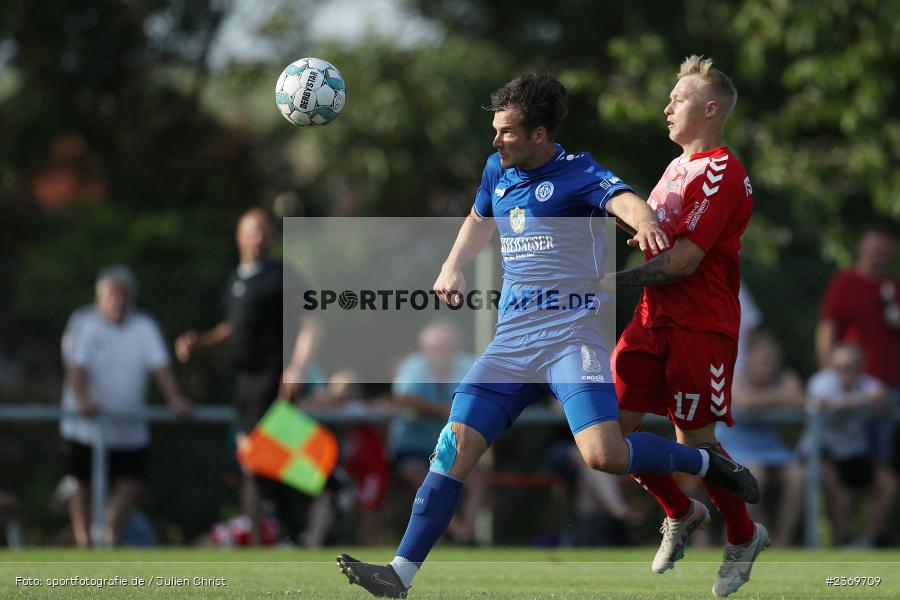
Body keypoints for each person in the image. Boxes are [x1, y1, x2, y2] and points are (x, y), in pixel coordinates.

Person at [336, 71, 758, 599]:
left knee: (604, 455)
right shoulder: (497, 170)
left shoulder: (578, 172)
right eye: (496, 130)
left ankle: (702, 464)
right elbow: (477, 218)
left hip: (570, 340)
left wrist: (645, 220)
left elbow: (623, 199)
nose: (496, 141)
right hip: (511, 345)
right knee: (452, 447)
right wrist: (451, 265)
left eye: (508, 131)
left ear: (540, 135)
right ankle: (399, 574)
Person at [608, 56, 764, 597]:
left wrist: (607, 283)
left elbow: (684, 262)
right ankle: (680, 511)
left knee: (694, 443)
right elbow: (657, 241)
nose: (667, 105)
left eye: (678, 97)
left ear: (711, 108)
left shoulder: (725, 171)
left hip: (700, 325)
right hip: (653, 320)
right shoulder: (675, 168)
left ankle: (744, 537)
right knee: (610, 435)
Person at [175, 208, 321, 544]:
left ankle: (295, 526)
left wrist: (297, 365)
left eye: (264, 231)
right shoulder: (237, 279)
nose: (258, 237)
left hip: (270, 379)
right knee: (253, 463)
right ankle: (272, 537)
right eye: (251, 231)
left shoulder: (281, 275)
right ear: (239, 237)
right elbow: (234, 326)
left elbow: (312, 318)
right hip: (243, 382)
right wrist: (202, 342)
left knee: (257, 457)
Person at [60, 265, 192, 547]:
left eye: (124, 295)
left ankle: (109, 535)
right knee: (81, 484)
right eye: (112, 294)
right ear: (100, 297)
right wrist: (83, 400)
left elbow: (160, 365)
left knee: (130, 484)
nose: (118, 300)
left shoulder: (144, 326)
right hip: (87, 429)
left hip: (129, 431)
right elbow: (77, 367)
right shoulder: (84, 324)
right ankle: (85, 545)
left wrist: (174, 398)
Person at [816, 223, 900, 545]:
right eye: (873, 245)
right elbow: (827, 330)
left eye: (884, 247)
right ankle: (841, 537)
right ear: (862, 247)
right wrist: (831, 377)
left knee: (881, 468)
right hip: (851, 391)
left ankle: (867, 539)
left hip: (886, 392)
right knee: (846, 468)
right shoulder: (845, 282)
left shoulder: (893, 286)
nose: (878, 252)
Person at [389, 321, 484, 545]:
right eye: (435, 348)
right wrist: (444, 410)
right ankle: (459, 533)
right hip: (413, 447)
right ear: (425, 349)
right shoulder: (414, 366)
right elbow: (403, 398)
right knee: (421, 474)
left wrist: (444, 411)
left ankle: (467, 531)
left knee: (479, 475)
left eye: (446, 347)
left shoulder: (468, 365)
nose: (440, 353)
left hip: (453, 447)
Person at [716, 331, 806, 547]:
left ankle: (782, 541)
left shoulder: (784, 377)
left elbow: (799, 398)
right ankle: (747, 537)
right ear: (749, 356)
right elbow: (744, 401)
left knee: (798, 476)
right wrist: (778, 398)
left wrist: (765, 400)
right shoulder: (733, 376)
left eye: (774, 360)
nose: (771, 365)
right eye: (765, 359)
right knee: (755, 475)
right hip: (733, 446)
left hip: (771, 447)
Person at [806, 344, 887, 546]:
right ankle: (841, 540)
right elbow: (822, 403)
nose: (846, 372)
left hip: (854, 452)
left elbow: (882, 398)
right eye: (839, 367)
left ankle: (866, 541)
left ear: (861, 368)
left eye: (852, 366)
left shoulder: (869, 383)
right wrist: (860, 400)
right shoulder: (821, 382)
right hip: (821, 451)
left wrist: (847, 401)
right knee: (835, 483)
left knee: (887, 482)